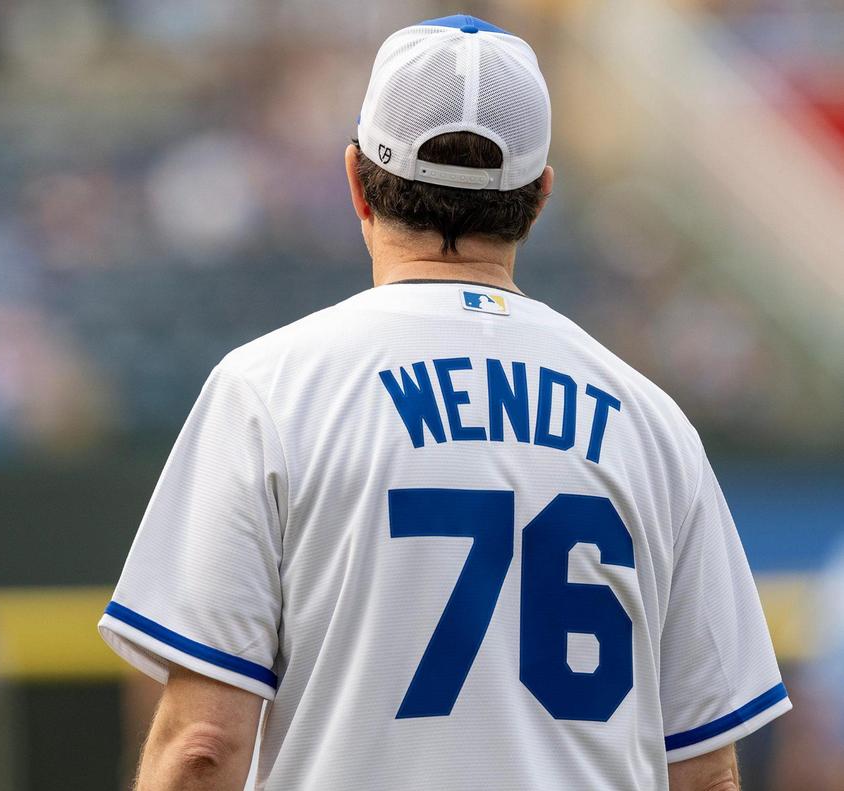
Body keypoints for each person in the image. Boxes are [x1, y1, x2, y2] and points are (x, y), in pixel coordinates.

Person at [98, 14, 789, 790]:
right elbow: (708, 774)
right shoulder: (653, 422)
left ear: (357, 180)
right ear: (539, 196)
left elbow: (201, 748)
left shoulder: (268, 389)